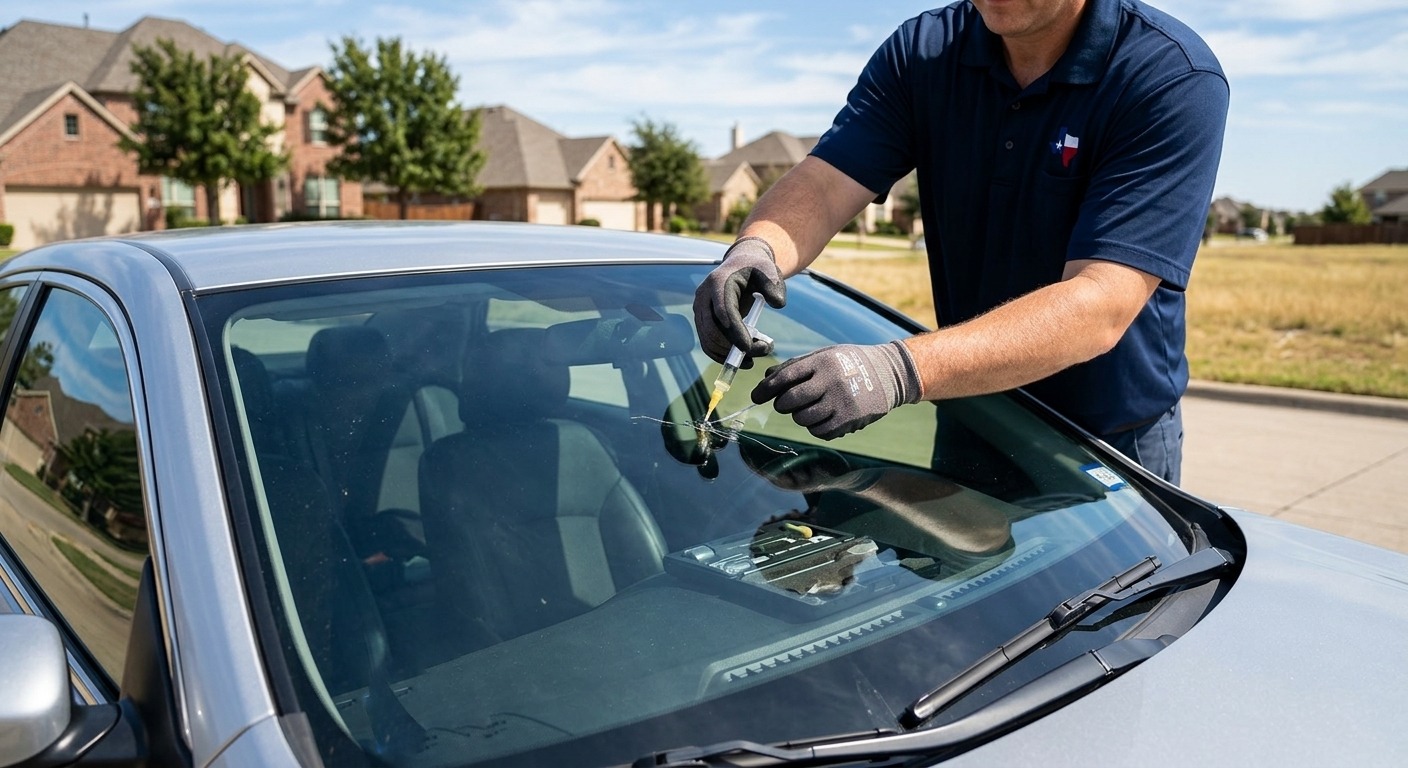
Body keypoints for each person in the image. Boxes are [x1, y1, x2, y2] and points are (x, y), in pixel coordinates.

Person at [694, 0, 1228, 484]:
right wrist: (758, 248)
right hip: (971, 409)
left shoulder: (1169, 75)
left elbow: (1100, 303)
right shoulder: (925, 52)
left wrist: (897, 369)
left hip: (1108, 438)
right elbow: (827, 183)